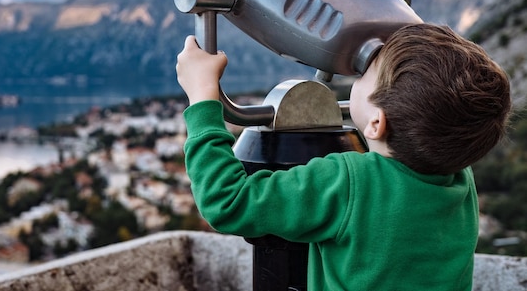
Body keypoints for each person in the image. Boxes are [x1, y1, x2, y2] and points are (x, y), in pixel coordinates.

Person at [175, 23, 512, 291]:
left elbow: (228, 201)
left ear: (377, 122)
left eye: (366, 73)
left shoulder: (351, 182)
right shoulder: (458, 176)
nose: (357, 75)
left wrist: (203, 97)